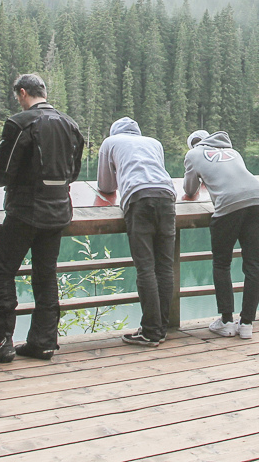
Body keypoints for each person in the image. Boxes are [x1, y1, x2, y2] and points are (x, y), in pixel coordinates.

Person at [0, 74, 84, 364]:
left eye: (17, 95)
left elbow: (2, 175)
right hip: (58, 210)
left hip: (25, 211)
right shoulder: (71, 125)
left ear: (22, 93)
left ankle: (2, 341)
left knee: (1, 273)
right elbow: (74, 173)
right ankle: (43, 342)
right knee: (46, 275)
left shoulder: (19, 123)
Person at [97, 116, 177, 347]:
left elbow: (105, 185)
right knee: (164, 267)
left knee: (146, 268)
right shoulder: (154, 143)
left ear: (115, 132)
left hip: (139, 199)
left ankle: (151, 332)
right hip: (166, 196)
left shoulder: (110, 143)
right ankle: (160, 327)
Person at [183, 129, 259, 339]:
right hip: (257, 199)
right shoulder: (234, 152)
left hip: (228, 206)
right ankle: (247, 323)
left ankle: (227, 321)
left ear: (193, 144)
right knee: (254, 264)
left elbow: (190, 190)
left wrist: (204, 180)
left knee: (222, 264)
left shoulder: (193, 155)